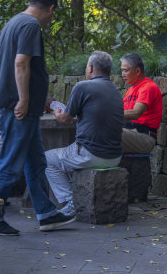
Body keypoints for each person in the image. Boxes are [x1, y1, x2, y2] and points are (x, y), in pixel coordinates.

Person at [0, 0, 73, 235]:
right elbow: (21, 63)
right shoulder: (30, 25)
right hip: (18, 108)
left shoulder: (14, 22)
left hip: (24, 109)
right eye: (52, 15)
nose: (50, 20)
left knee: (36, 162)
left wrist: (36, 99)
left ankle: (46, 214)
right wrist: (24, 100)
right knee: (10, 164)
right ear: (51, 9)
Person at [45, 51, 124, 218]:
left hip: (91, 154)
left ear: (90, 67)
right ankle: (78, 198)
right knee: (66, 158)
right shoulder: (115, 90)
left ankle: (70, 203)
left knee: (46, 159)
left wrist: (57, 112)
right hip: (115, 156)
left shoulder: (83, 86)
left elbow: (66, 118)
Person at [120, 52, 163, 154]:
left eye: (125, 71)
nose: (122, 74)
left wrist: (108, 115)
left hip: (143, 137)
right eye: (122, 71)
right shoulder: (131, 90)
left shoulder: (148, 87)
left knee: (104, 131)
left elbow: (135, 113)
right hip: (129, 132)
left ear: (137, 71)